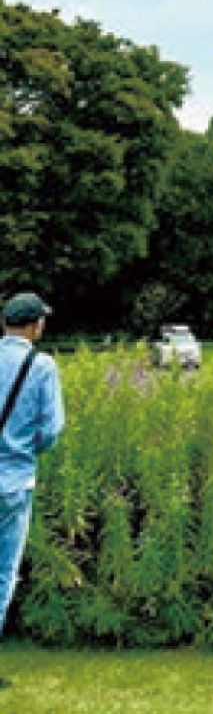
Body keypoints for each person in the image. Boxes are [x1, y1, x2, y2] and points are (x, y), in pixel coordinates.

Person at [0, 292, 64, 694]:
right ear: (35, 325)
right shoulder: (40, 367)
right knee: (2, 573)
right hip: (13, 481)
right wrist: (24, 447)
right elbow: (52, 430)